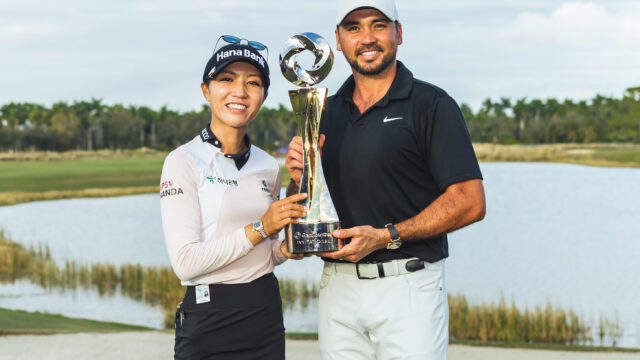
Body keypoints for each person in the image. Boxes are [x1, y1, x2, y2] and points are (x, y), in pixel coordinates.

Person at [285, 1, 486, 359]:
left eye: (378, 25)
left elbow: (470, 201)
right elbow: (303, 211)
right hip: (338, 288)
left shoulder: (432, 104)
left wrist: (386, 236)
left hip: (407, 286)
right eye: (353, 28)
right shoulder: (324, 111)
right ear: (337, 40)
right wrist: (300, 178)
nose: (366, 38)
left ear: (399, 33)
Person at [160, 35, 307, 360]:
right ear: (206, 90)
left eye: (253, 83)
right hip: (208, 318)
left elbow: (264, 255)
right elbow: (185, 264)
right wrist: (261, 226)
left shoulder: (268, 165)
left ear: (264, 96)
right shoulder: (183, 161)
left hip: (264, 312)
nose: (240, 91)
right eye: (226, 79)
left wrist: (286, 248)